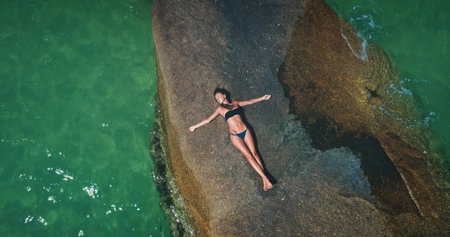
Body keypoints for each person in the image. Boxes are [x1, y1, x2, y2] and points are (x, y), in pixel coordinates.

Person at [188, 88, 273, 191]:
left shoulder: (235, 103)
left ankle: (265, 179)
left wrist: (263, 98)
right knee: (249, 156)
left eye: (219, 96)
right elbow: (208, 120)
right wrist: (195, 126)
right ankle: (265, 178)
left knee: (255, 153)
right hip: (235, 136)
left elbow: (250, 101)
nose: (218, 99)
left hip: (245, 130)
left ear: (224, 95)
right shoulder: (220, 109)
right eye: (216, 98)